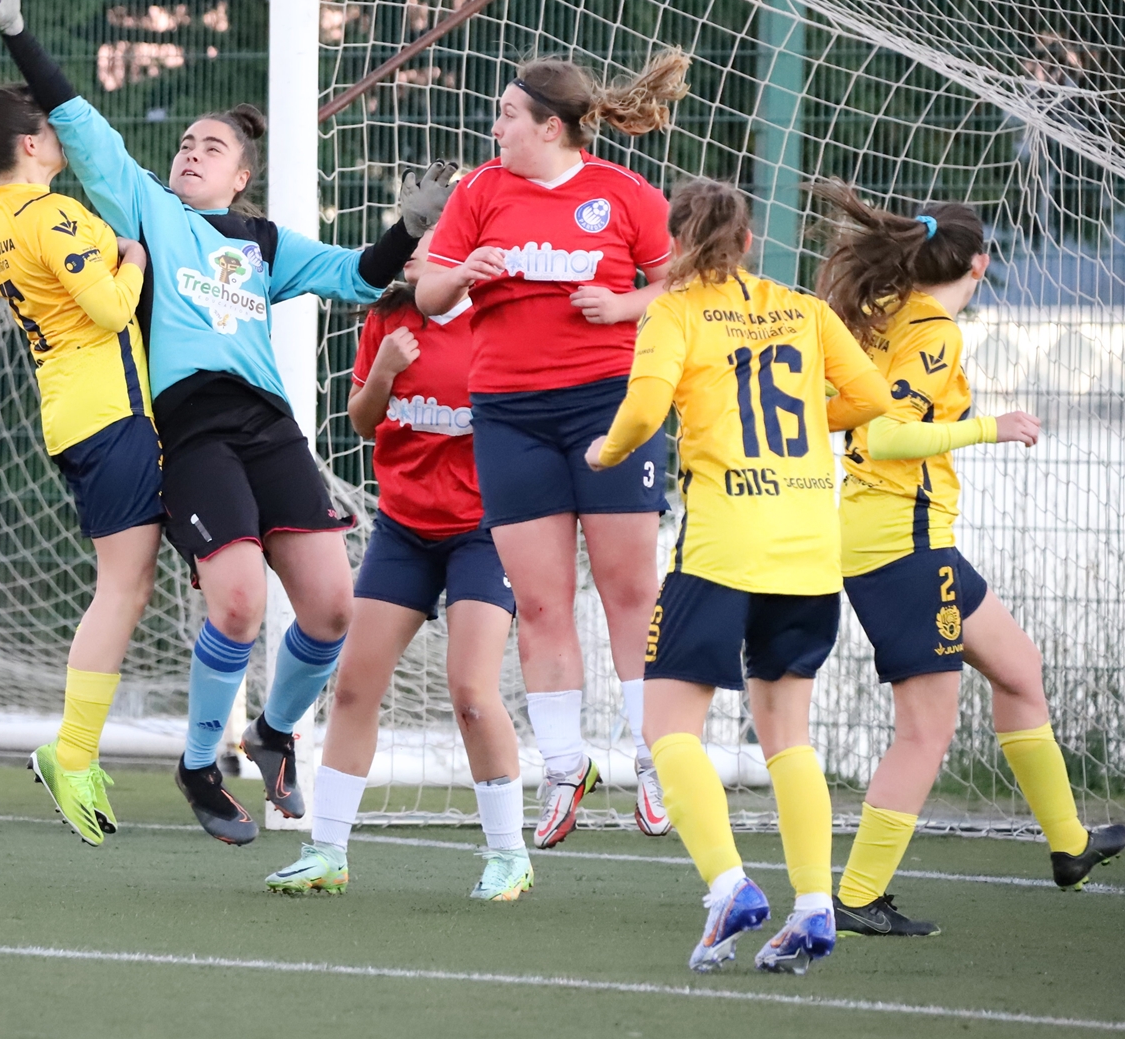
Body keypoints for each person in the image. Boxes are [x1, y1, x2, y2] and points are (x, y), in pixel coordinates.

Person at [0, 0, 452, 845]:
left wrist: (408, 227)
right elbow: (77, 123)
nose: (192, 153)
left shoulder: (264, 243)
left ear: (241, 178)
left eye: (213, 147)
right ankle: (200, 764)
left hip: (268, 424)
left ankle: (271, 736)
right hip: (188, 428)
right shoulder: (147, 209)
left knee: (333, 608)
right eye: (185, 143)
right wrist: (17, 34)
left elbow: (356, 276)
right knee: (234, 601)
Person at [584, 179, 890, 975]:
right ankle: (816, 904)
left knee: (668, 725)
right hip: (808, 547)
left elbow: (646, 410)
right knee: (789, 734)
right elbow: (872, 396)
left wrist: (605, 454)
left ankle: (728, 884)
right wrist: (798, 430)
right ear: (748, 242)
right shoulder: (803, 307)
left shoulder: (674, 311)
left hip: (724, 549)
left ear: (672, 243)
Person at [814, 183, 1125, 935]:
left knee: (1019, 668)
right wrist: (992, 427)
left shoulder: (888, 315)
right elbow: (884, 436)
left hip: (901, 537)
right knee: (926, 731)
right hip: (902, 544)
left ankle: (1070, 844)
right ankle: (857, 895)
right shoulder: (934, 335)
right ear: (979, 264)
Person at [416, 51, 687, 846]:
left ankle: (656, 760)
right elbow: (429, 293)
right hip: (507, 412)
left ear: (551, 127)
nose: (495, 126)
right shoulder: (477, 192)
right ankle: (565, 767)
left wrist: (626, 302)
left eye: (507, 114)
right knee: (539, 602)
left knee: (630, 591)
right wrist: (463, 270)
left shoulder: (624, 193)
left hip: (609, 407)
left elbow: (682, 284)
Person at [265, 213, 534, 902]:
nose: (412, 257)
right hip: (405, 531)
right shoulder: (385, 317)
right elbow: (362, 419)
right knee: (353, 685)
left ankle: (509, 855)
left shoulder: (499, 324)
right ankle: (327, 851)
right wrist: (384, 370)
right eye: (408, 246)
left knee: (472, 691)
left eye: (428, 248)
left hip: (485, 532)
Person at [0, 84, 160, 847]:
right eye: (53, 130)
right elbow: (108, 309)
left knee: (127, 586)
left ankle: (80, 750)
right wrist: (133, 259)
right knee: (122, 587)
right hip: (110, 409)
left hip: (71, 415)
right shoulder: (51, 212)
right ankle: (71, 752)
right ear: (32, 142)